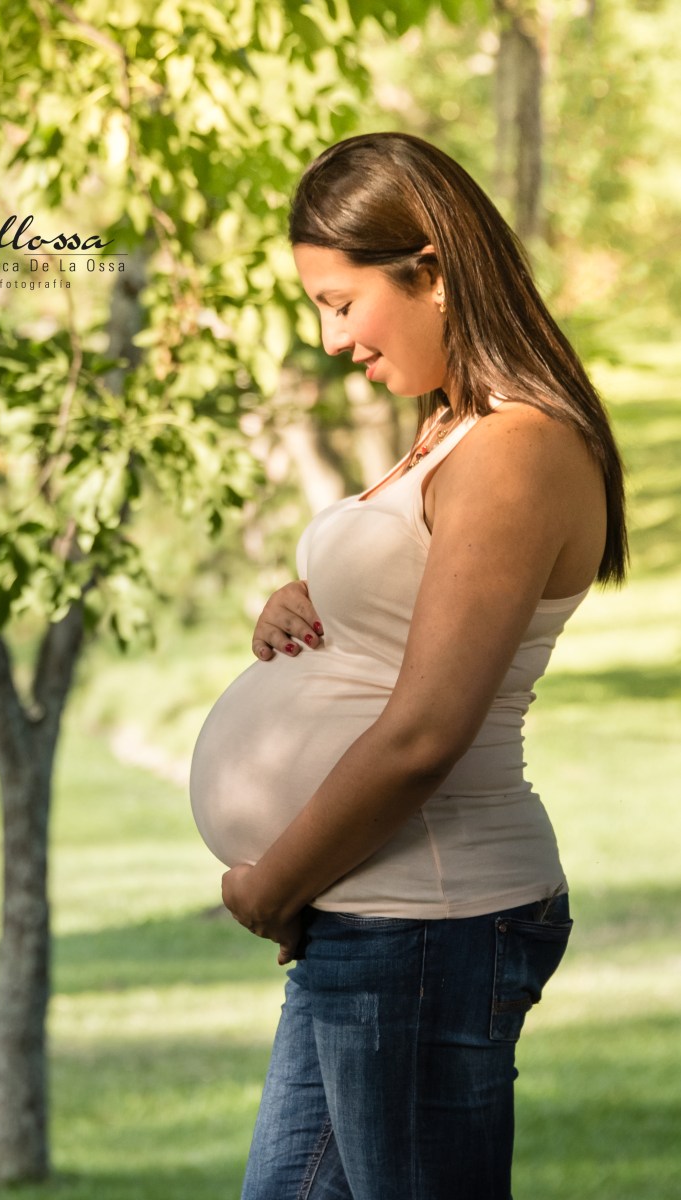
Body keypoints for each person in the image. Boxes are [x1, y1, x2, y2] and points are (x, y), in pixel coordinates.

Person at [189, 131, 627, 1200]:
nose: (331, 339)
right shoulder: (450, 428)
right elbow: (409, 616)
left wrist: (273, 886)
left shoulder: (516, 448)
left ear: (429, 271)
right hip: (376, 920)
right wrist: (307, 601)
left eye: (342, 303)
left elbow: (426, 732)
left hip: (428, 922)